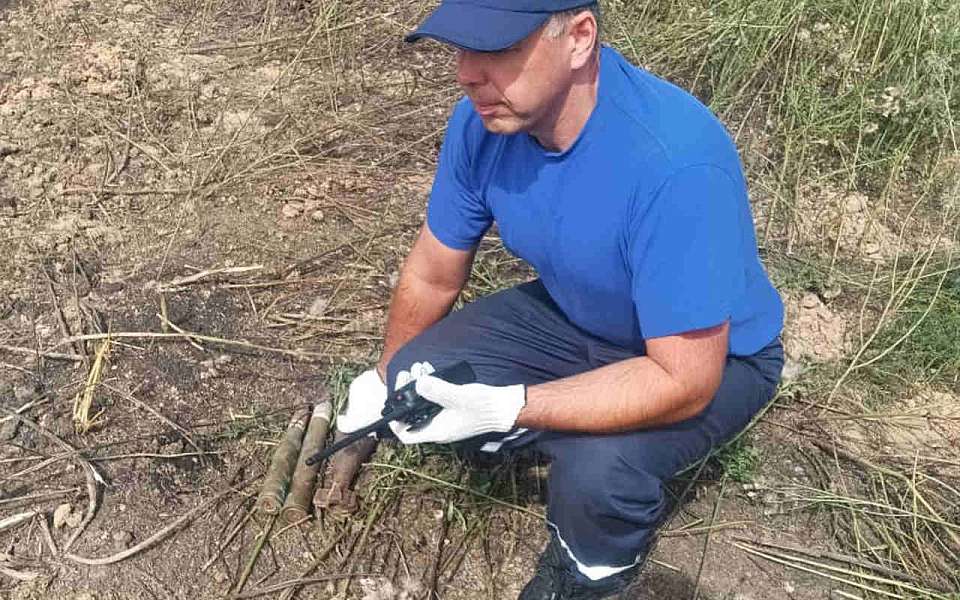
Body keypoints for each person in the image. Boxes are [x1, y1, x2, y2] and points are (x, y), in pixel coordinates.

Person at [332, 1, 785, 598]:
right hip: (577, 315)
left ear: (578, 38)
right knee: (422, 380)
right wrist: (386, 373)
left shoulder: (675, 165)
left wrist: (511, 407)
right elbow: (434, 272)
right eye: (461, 50)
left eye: (495, 50)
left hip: (712, 358)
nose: (467, 73)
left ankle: (589, 569)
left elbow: (684, 378)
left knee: (598, 473)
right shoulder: (483, 123)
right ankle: (542, 428)